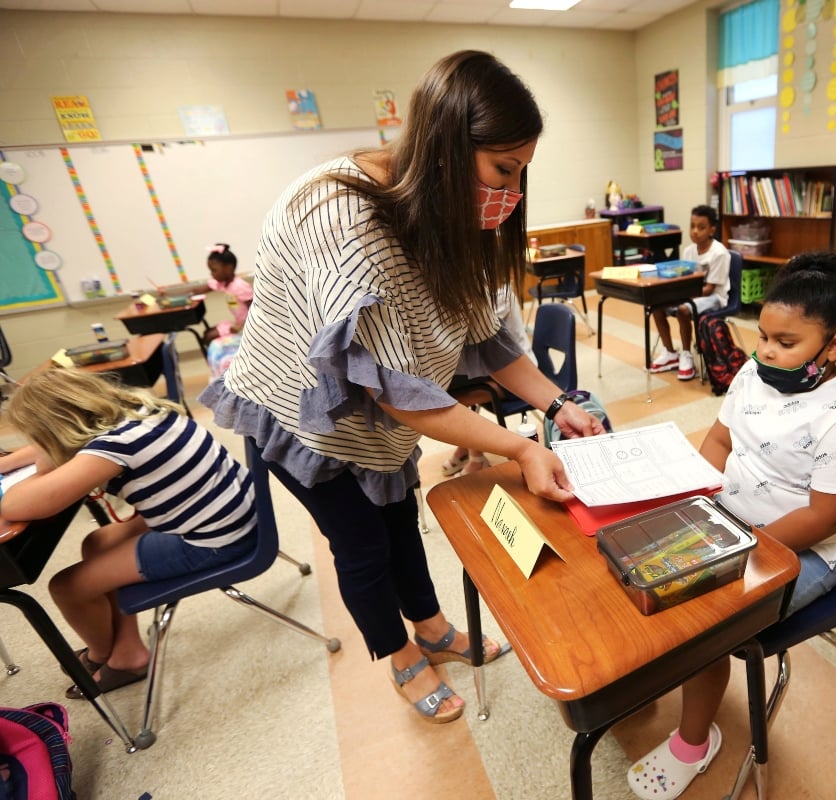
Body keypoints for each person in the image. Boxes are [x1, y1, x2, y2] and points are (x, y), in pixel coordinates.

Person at [199, 50, 606, 725]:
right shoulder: (346, 218)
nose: (511, 189)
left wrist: (557, 404)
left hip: (382, 419)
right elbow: (398, 393)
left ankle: (435, 628)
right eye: (503, 168)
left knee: (399, 522)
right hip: (305, 413)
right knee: (361, 545)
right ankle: (400, 657)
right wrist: (521, 449)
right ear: (448, 146)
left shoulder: (453, 212)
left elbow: (491, 340)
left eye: (521, 172)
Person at [627, 252, 836, 800]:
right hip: (731, 522)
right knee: (643, 562)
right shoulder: (753, 372)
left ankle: (692, 745)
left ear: (834, 345)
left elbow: (825, 516)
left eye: (786, 342)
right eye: (763, 334)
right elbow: (718, 443)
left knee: (707, 624)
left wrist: (734, 546)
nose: (766, 349)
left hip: (806, 548)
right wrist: (691, 500)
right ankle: (639, 676)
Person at [0, 367, 257, 699]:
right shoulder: (136, 410)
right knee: (97, 542)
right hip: (230, 510)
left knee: (66, 588)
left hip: (216, 540)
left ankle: (104, 655)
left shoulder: (111, 449)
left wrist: (47, 459)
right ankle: (128, 651)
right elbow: (52, 447)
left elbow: (15, 507)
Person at [441, 284, 535, 476]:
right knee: (452, 384)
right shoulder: (472, 284)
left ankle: (476, 458)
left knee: (455, 398)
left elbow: (467, 330)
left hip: (517, 375)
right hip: (492, 369)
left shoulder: (499, 290)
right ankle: (466, 448)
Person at [648, 205, 731, 381]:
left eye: (701, 227)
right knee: (656, 304)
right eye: (692, 226)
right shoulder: (688, 250)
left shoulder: (719, 253)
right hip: (691, 293)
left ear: (712, 229)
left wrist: (682, 296)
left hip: (715, 297)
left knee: (683, 309)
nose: (695, 231)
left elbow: (709, 288)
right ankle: (670, 352)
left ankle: (687, 355)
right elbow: (683, 277)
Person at [202, 243, 253, 346]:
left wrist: (241, 326)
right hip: (239, 322)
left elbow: (254, 309)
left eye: (214, 270)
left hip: (247, 326)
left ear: (228, 268)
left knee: (209, 337)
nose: (211, 274)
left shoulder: (239, 286)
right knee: (207, 333)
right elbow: (206, 288)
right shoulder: (224, 284)